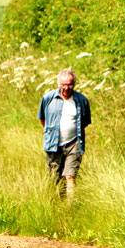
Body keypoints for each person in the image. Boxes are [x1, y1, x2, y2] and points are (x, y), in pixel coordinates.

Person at [38, 68, 92, 198]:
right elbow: (42, 118)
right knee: (55, 178)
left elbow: (85, 121)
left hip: (74, 144)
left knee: (70, 176)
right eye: (63, 85)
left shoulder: (81, 100)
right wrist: (52, 132)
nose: (66, 88)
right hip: (53, 144)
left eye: (69, 84)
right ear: (58, 84)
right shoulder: (48, 98)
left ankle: (69, 209)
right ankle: (58, 205)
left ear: (74, 84)